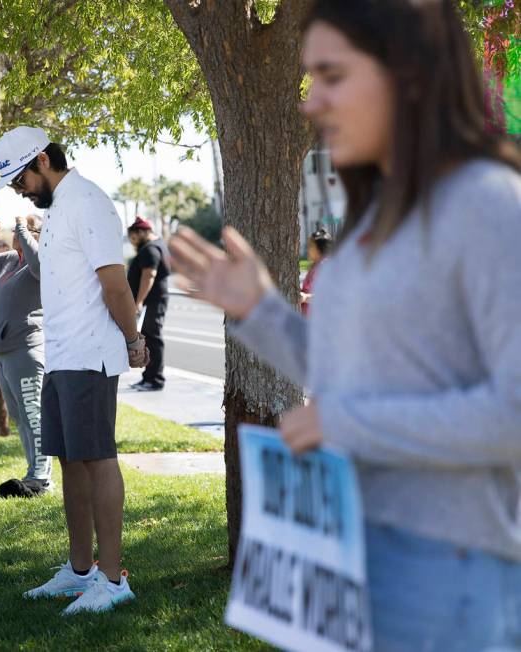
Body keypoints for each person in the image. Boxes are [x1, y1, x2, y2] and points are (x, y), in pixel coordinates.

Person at [169, 1, 521, 649]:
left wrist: (346, 423)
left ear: (407, 73)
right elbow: (349, 374)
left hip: (449, 576)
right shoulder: (373, 219)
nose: (310, 102)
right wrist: (259, 311)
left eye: (332, 76)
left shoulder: (486, 202)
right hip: (355, 556)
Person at [0, 125, 148, 615]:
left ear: (42, 160)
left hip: (90, 355)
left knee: (98, 459)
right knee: (70, 462)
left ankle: (113, 579)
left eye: (20, 178)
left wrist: (134, 338)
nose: (18, 189)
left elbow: (115, 285)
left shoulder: (89, 202)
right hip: (60, 356)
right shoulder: (55, 209)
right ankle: (80, 571)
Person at [0, 213, 52, 497]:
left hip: (26, 349)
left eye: (26, 230)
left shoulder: (43, 259)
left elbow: (39, 266)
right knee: (20, 416)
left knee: (34, 414)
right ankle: (34, 472)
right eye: (17, 229)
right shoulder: (10, 259)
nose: (17, 233)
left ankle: (41, 477)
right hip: (4, 351)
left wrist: (23, 228)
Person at [126, 216, 171, 391]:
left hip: (152, 300)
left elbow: (149, 276)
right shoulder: (158, 245)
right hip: (154, 300)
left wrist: (139, 301)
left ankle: (155, 379)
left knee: (153, 337)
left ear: (141, 232)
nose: (133, 242)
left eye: (134, 238)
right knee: (149, 336)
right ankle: (148, 377)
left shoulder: (150, 249)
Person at [299, 226, 332, 317]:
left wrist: (305, 297)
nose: (307, 250)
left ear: (319, 248)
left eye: (310, 246)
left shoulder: (324, 267)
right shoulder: (315, 266)